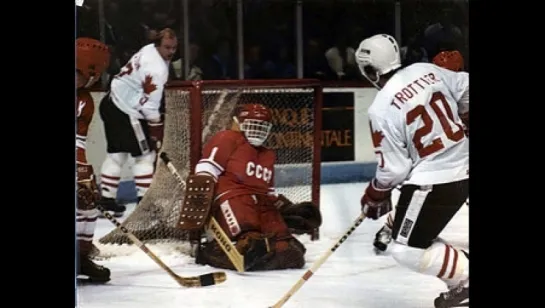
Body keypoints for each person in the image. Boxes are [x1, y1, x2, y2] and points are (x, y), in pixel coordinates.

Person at [355, 34, 469, 308]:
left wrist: (375, 193)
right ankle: (461, 283)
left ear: (370, 71)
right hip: (463, 166)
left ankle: (465, 278)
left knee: (405, 249)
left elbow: (395, 169)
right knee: (414, 225)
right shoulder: (426, 70)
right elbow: (467, 86)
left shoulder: (380, 109)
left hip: (436, 180)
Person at [191, 103, 322, 271]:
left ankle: (261, 254)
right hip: (233, 196)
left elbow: (267, 191)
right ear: (237, 122)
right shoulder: (228, 138)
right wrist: (201, 197)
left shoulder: (267, 154)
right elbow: (206, 168)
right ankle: (212, 252)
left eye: (262, 125)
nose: (257, 129)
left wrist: (285, 207)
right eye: (253, 123)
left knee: (292, 253)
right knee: (251, 244)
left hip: (260, 202)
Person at [372, 49, 468, 254]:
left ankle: (397, 228)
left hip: (451, 165)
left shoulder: (434, 83)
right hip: (449, 165)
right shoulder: (444, 87)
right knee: (422, 197)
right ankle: (394, 225)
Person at [98, 28, 177, 216]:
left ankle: (106, 200)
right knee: (144, 156)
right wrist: (156, 126)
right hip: (127, 111)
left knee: (116, 155)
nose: (171, 52)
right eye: (167, 47)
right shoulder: (157, 70)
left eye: (174, 47)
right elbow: (149, 108)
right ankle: (145, 202)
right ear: (158, 44)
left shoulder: (148, 48)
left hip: (111, 102)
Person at [76, 37, 112, 282]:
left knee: (87, 200)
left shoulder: (85, 101)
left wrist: (82, 172)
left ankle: (81, 257)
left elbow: (78, 141)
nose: (87, 81)